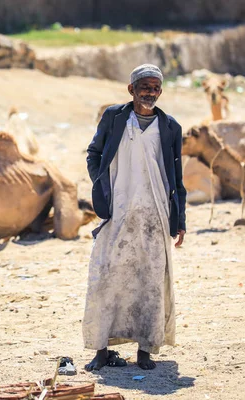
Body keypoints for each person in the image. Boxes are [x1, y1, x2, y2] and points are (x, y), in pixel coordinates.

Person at [83, 64, 186, 371]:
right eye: (145, 87)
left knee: (150, 282)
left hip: (154, 214)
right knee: (105, 279)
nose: (150, 93)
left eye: (155, 88)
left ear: (160, 92)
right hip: (118, 212)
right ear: (131, 90)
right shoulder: (114, 118)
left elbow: (176, 178)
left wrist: (179, 220)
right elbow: (94, 154)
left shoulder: (170, 127)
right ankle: (101, 350)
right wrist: (102, 187)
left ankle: (146, 350)